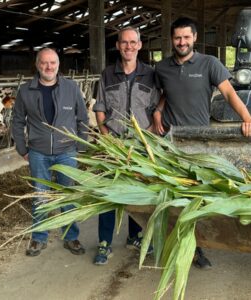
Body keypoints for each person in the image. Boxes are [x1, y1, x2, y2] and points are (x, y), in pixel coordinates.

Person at [153, 17, 251, 268]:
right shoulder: (162, 68)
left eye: (186, 37)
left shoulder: (210, 63)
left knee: (197, 198)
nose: (182, 42)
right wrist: (157, 111)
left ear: (195, 38)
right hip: (172, 144)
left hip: (200, 142)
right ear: (172, 40)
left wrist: (247, 118)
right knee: (174, 198)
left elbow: (229, 93)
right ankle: (185, 246)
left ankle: (198, 246)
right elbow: (165, 93)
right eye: (177, 38)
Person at [12, 48, 89, 257]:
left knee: (67, 195)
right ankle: (39, 238)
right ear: (37, 65)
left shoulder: (71, 88)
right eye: (44, 63)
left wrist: (81, 147)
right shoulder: (26, 91)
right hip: (38, 152)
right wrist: (22, 148)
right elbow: (17, 121)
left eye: (53, 63)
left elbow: (82, 118)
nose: (49, 67)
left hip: (67, 151)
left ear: (58, 65)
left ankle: (71, 237)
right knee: (40, 195)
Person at [93, 27, 160, 265]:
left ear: (140, 46)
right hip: (113, 145)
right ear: (118, 45)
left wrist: (148, 137)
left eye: (133, 42)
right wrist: (105, 136)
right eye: (124, 42)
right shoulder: (107, 74)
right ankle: (104, 242)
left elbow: (157, 108)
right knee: (108, 195)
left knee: (138, 194)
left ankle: (135, 236)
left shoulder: (151, 74)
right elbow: (100, 107)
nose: (129, 47)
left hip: (141, 145)